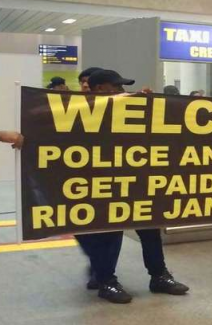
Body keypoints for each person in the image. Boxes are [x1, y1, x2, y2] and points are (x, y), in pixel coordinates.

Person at [81, 69, 189, 304]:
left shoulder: (127, 106)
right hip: (105, 183)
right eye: (117, 87)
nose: (122, 91)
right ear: (99, 89)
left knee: (150, 229)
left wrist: (146, 102)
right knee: (109, 234)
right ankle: (106, 281)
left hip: (136, 182)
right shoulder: (82, 110)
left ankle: (159, 275)